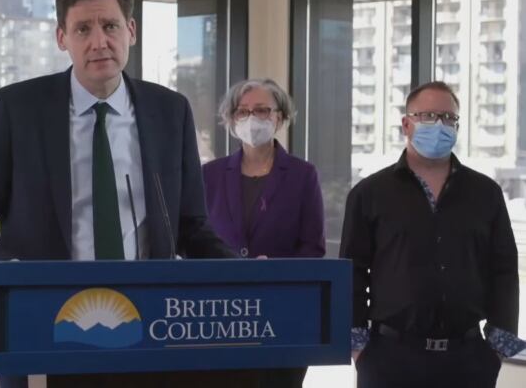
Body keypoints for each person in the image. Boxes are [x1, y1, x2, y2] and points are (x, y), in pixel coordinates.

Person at [0, 0, 235, 388]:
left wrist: (245, 272)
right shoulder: (18, 109)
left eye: (110, 25)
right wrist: (11, 272)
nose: (100, 41)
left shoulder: (170, 111)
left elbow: (191, 227)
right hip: (44, 326)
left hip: (147, 329)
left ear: (130, 31)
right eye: (83, 28)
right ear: (62, 38)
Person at [340, 81, 525, 388]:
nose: (440, 125)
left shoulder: (486, 193)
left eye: (449, 118)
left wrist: (496, 348)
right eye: (428, 116)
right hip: (388, 359)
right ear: (406, 124)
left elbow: (503, 270)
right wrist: (359, 349)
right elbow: (353, 273)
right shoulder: (369, 193)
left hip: (468, 361)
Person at [202, 78, 325, 387]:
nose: (251, 118)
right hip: (222, 314)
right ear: (230, 120)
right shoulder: (210, 175)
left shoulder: (302, 175)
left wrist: (275, 269)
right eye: (242, 112)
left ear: (280, 118)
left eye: (261, 110)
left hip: (282, 314)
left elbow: (313, 248)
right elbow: (196, 240)